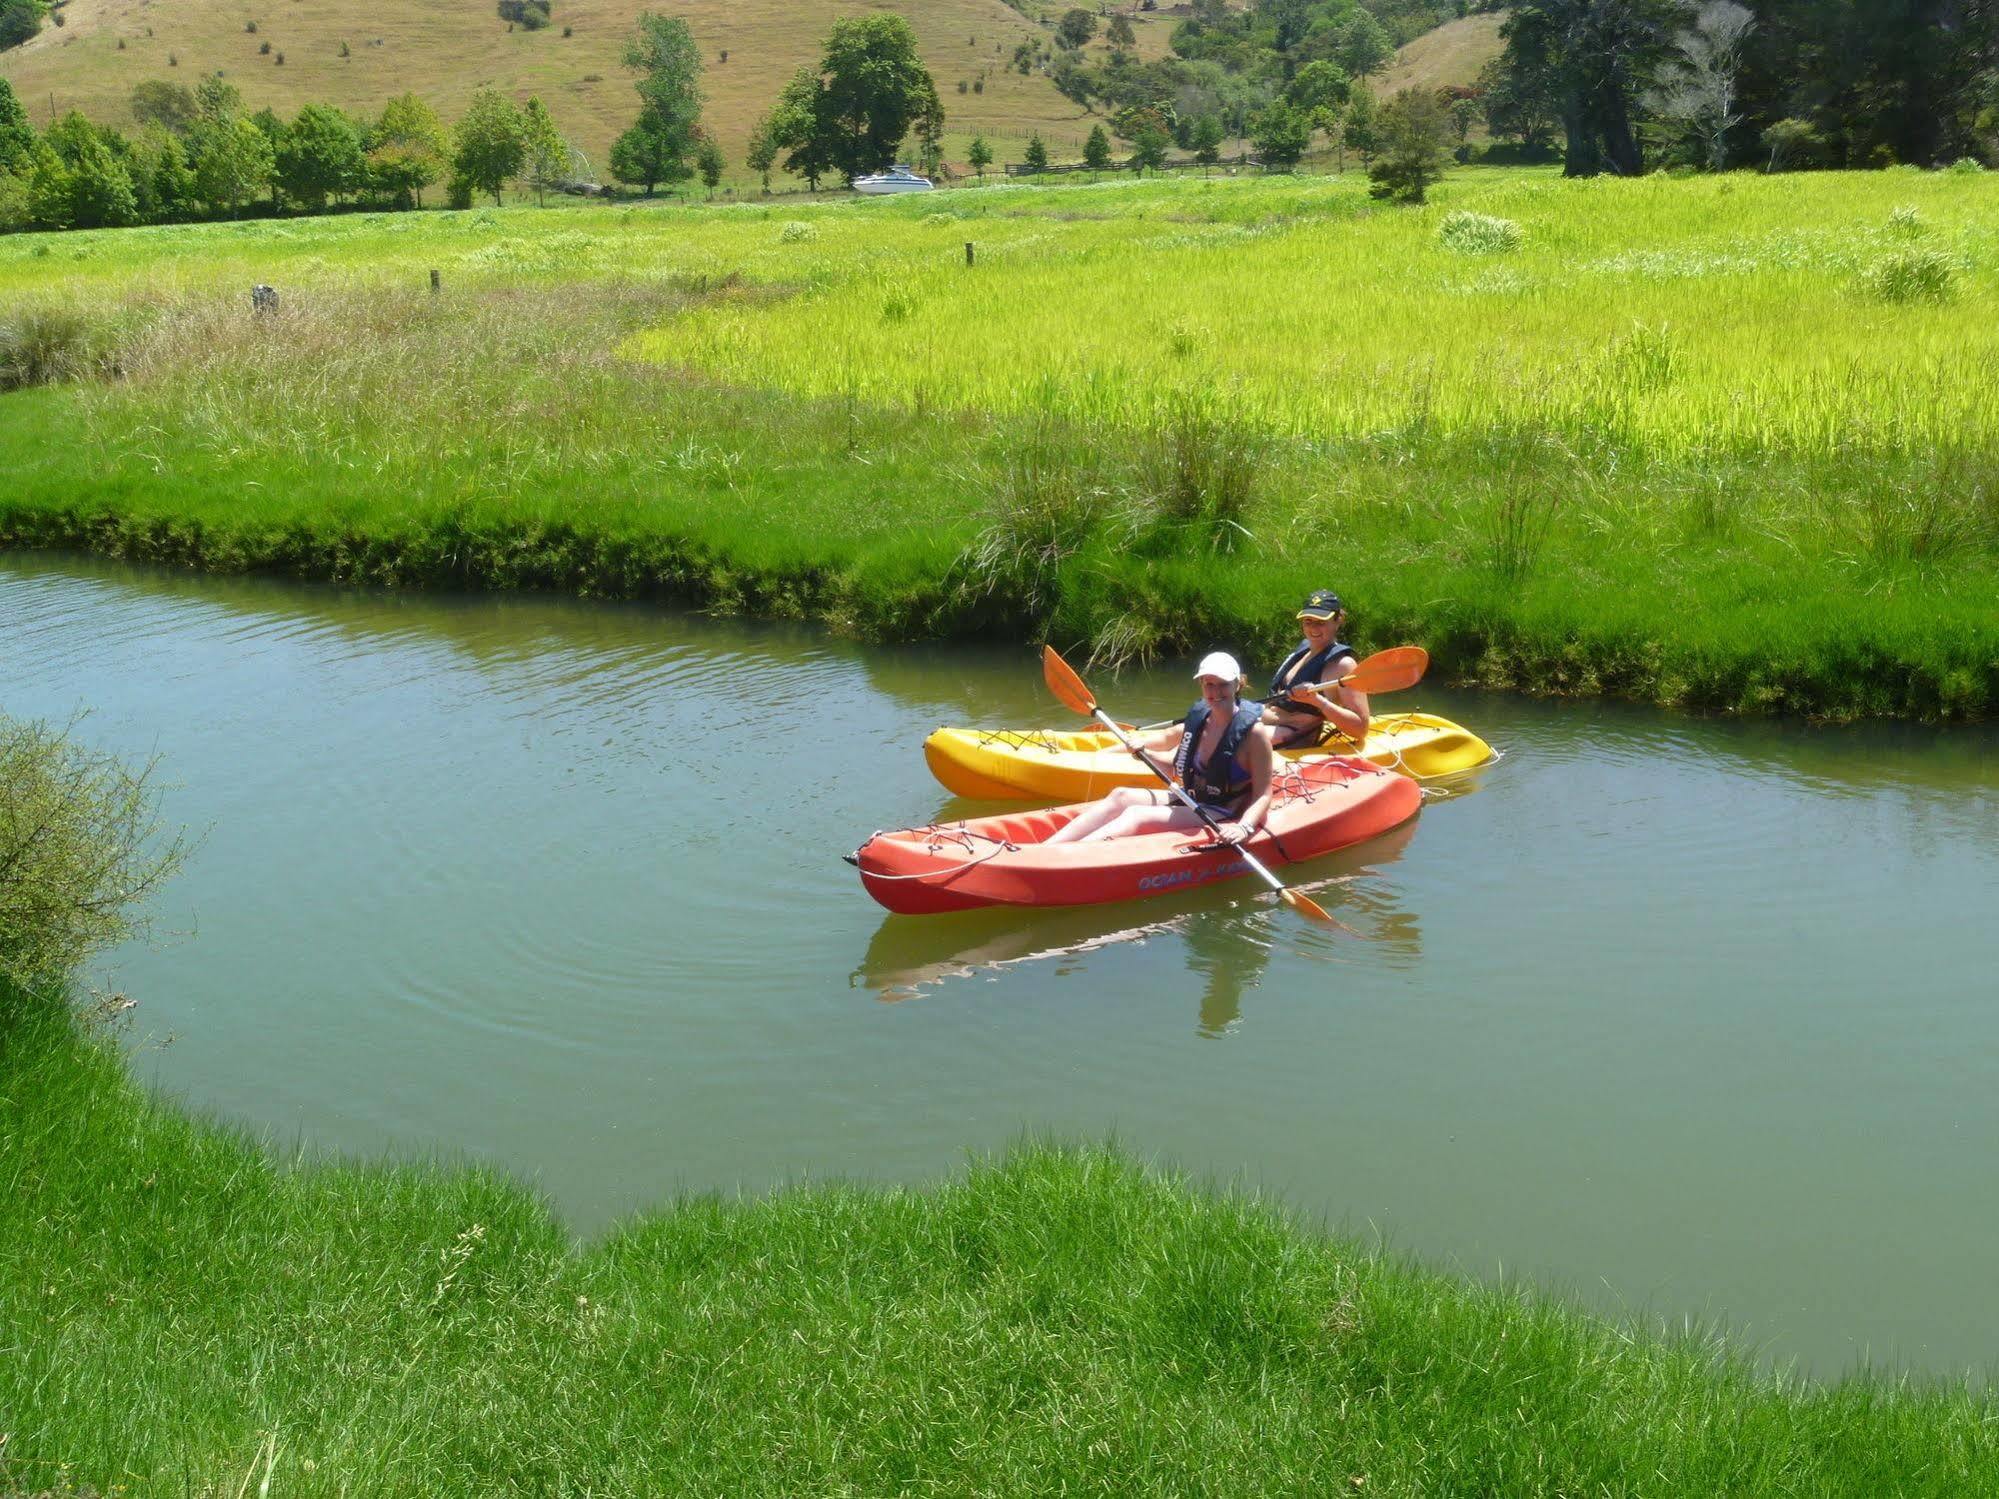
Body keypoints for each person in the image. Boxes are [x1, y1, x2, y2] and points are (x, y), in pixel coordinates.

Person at [1044, 652, 1275, 845]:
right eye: (1209, 684)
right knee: (1120, 795)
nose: (1215, 693)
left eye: (1223, 684)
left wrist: (1244, 828)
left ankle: (1066, 856)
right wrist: (1144, 753)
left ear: (1238, 684)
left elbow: (1263, 794)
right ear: (1201, 685)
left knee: (1137, 815)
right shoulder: (1200, 720)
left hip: (1222, 810)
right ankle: (1048, 848)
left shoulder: (1254, 734)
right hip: (1192, 798)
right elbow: (1177, 767)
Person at [1262, 589, 1369, 751]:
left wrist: (1317, 701)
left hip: (1293, 739)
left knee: (1235, 737)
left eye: (1321, 622)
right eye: (1308, 621)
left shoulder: (1343, 665)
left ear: (1338, 620)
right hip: (1266, 724)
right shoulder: (1303, 652)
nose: (1313, 629)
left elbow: (1361, 729)